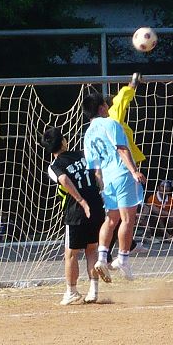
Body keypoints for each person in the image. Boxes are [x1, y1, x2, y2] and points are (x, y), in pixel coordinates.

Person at [42, 126, 110, 305]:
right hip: (96, 206)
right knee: (92, 249)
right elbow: (97, 169)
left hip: (76, 211)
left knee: (71, 254)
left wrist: (81, 201)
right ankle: (93, 291)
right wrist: (101, 190)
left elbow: (64, 179)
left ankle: (71, 291)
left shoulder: (54, 166)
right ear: (64, 142)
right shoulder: (82, 154)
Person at [83, 86, 145, 280]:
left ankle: (102, 258)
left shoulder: (88, 134)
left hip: (107, 180)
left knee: (110, 220)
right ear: (102, 107)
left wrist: (102, 187)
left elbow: (95, 168)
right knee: (127, 219)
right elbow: (121, 148)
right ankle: (123, 259)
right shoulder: (111, 123)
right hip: (122, 174)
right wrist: (134, 171)